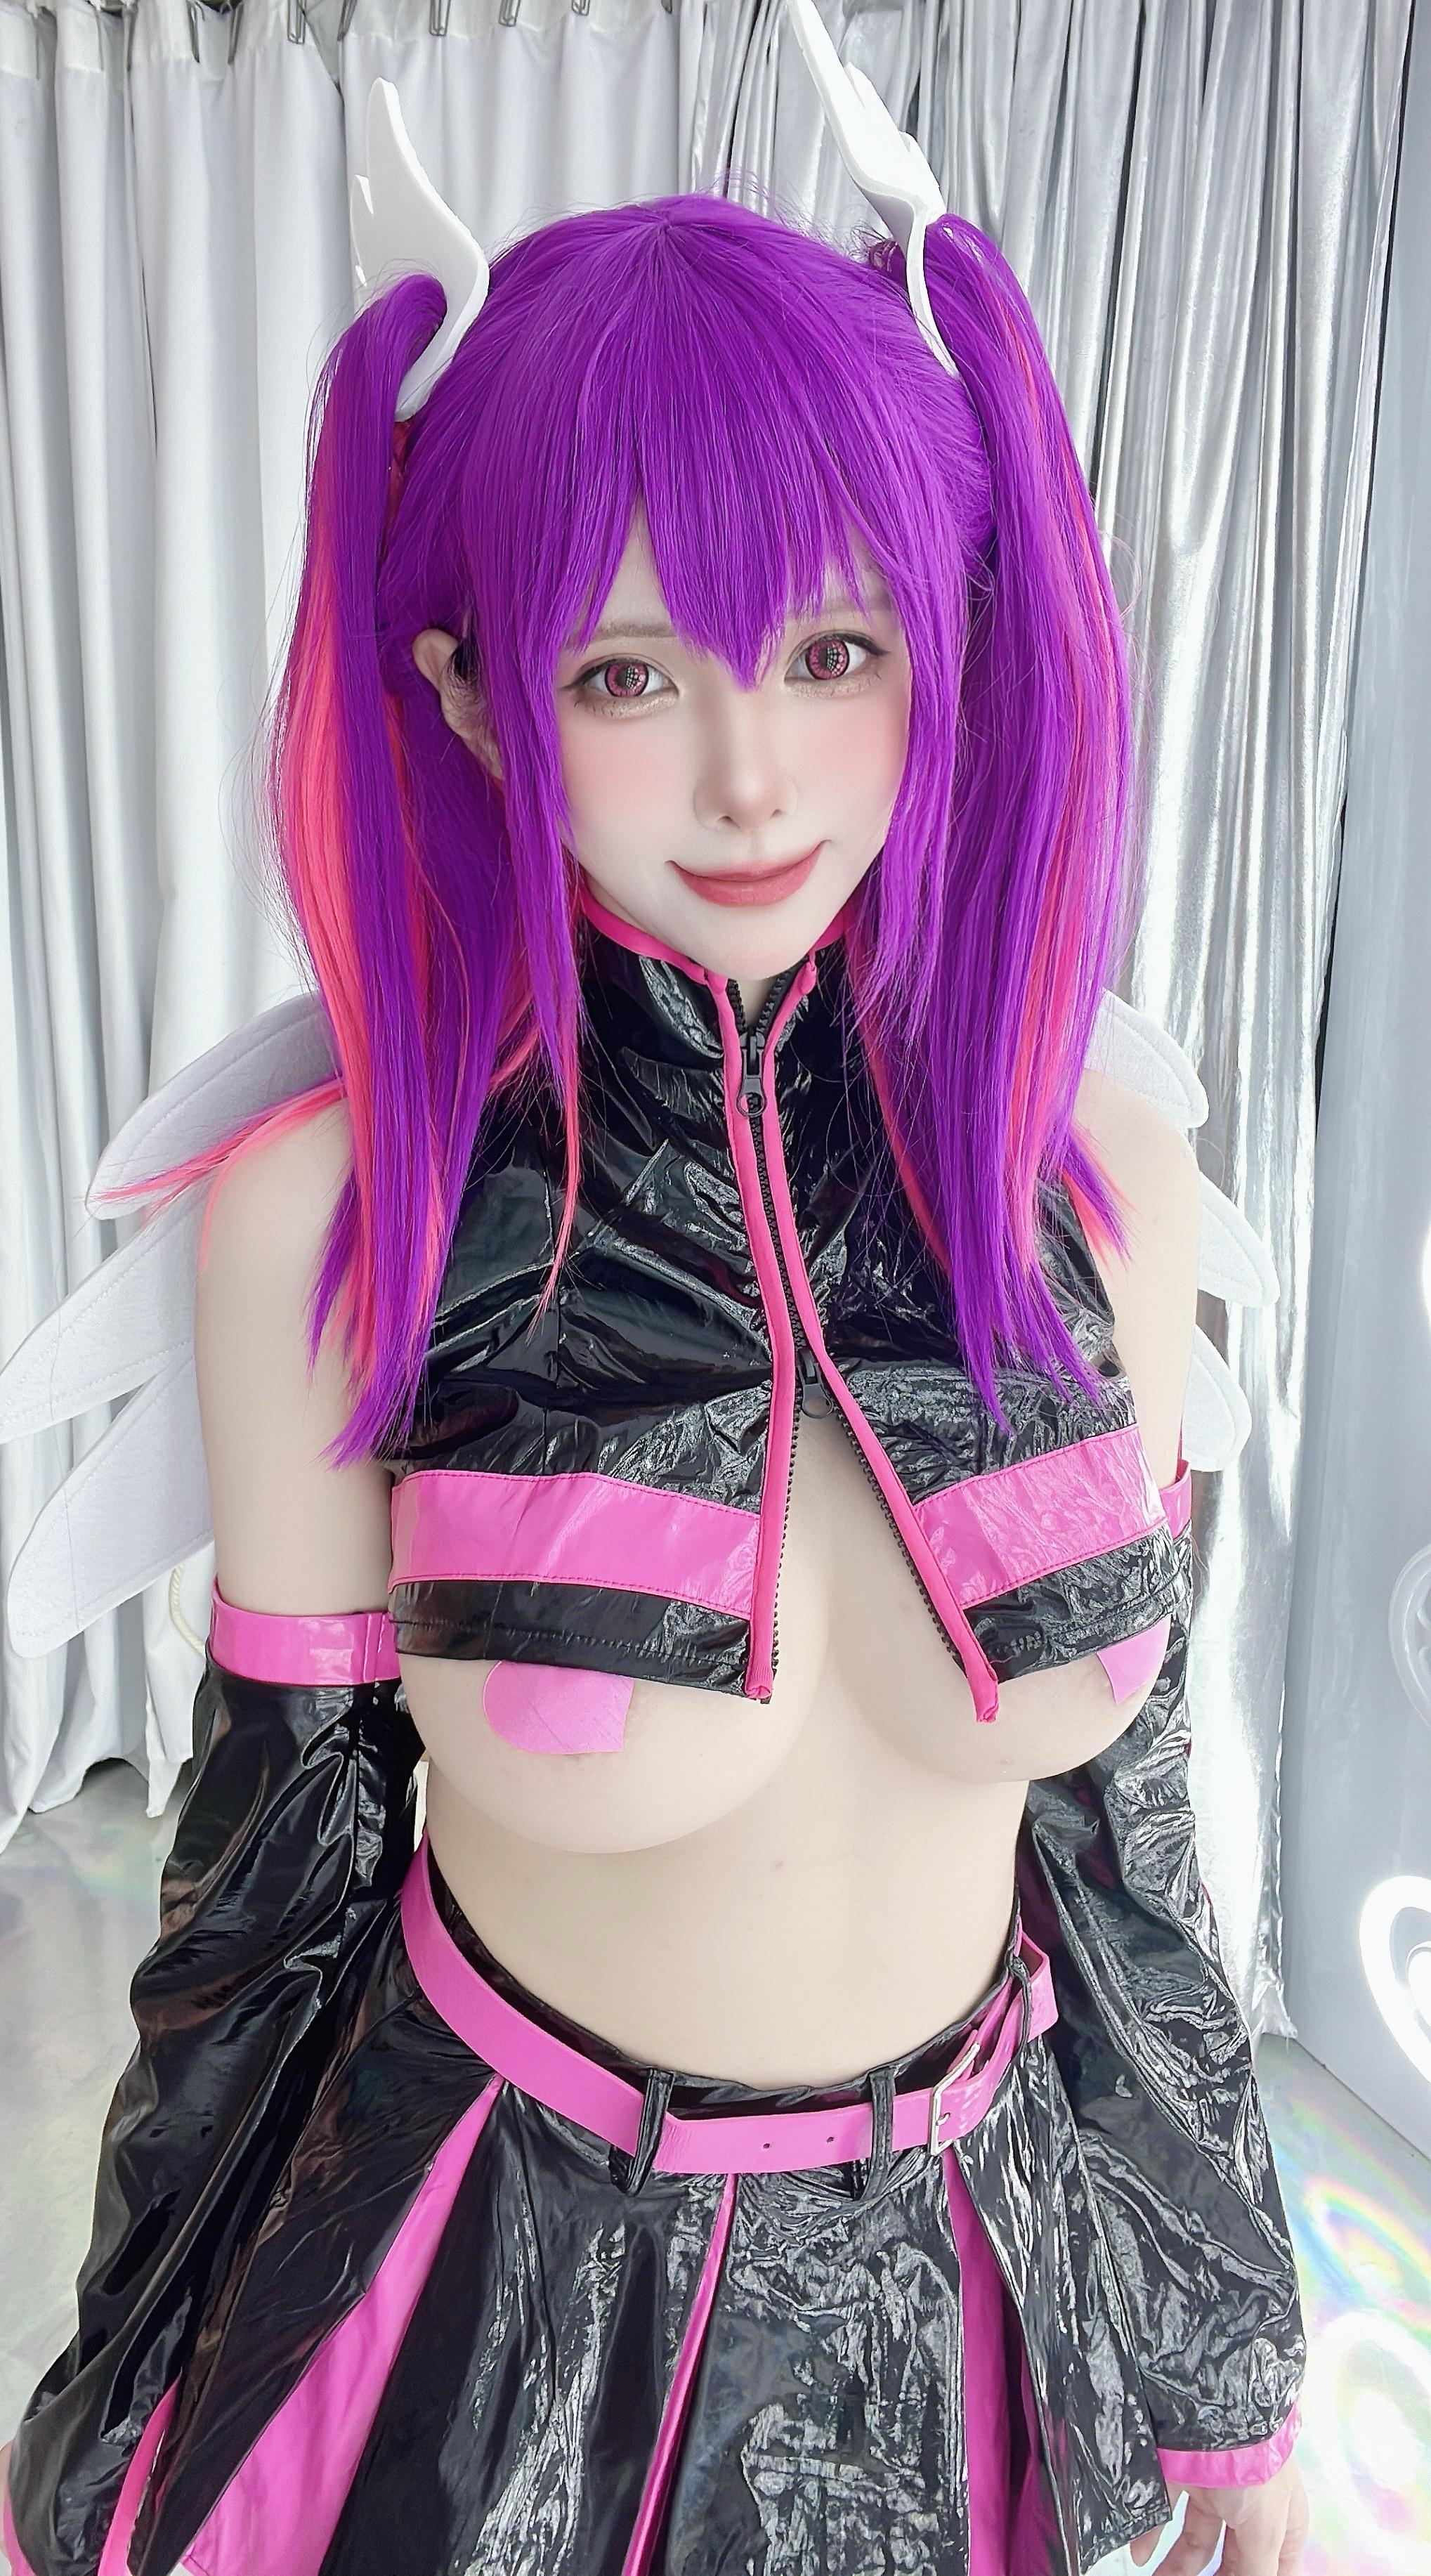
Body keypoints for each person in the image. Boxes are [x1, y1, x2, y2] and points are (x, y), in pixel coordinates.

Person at [1, 82, 1307, 2576]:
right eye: (628, 672)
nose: (747, 775)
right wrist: (116, 2425)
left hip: (972, 2317)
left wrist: (1235, 2373)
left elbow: (1126, 1852)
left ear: (946, 643)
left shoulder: (1094, 1192)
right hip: (501, 2347)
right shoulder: (341, 1223)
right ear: (476, 695)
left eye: (834, 648)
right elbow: (266, 1895)